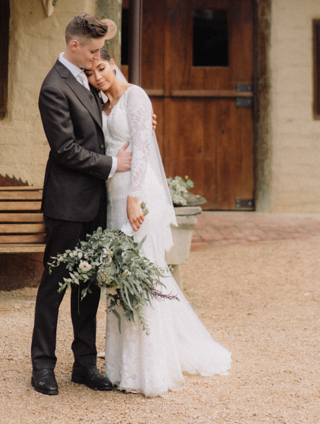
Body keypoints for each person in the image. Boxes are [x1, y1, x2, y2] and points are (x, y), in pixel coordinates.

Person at [86, 49, 232, 397]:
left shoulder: (136, 96)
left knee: (146, 274)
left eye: (102, 69)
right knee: (124, 279)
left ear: (113, 65)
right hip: (113, 198)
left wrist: (135, 198)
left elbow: (143, 149)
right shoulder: (102, 106)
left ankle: (150, 368)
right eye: (91, 74)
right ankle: (124, 366)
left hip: (138, 197)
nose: (99, 78)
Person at [30, 14, 133, 396]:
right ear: (74, 46)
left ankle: (85, 365)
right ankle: (42, 367)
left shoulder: (90, 80)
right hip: (67, 203)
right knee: (55, 285)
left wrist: (139, 122)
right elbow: (65, 150)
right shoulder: (53, 87)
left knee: (89, 284)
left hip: (96, 204)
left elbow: (112, 114)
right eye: (92, 50)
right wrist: (112, 165)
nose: (97, 58)